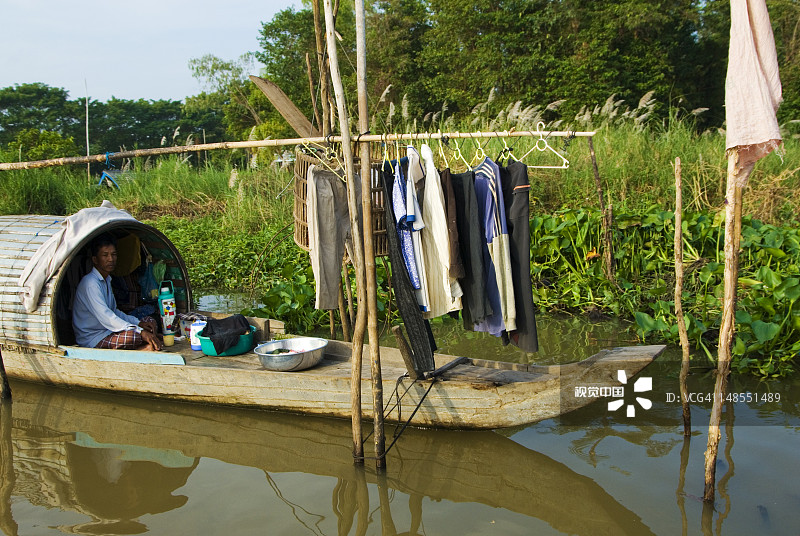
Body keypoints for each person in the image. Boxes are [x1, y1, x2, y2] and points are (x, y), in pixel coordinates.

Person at [73, 234, 163, 351]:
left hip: (109, 330)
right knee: (133, 336)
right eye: (105, 255)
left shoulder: (106, 280)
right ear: (95, 259)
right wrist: (140, 332)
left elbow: (114, 311)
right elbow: (107, 317)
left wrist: (138, 324)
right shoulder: (90, 284)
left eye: (113, 254)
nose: (111, 259)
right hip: (93, 337)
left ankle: (148, 341)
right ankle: (144, 346)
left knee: (150, 321)